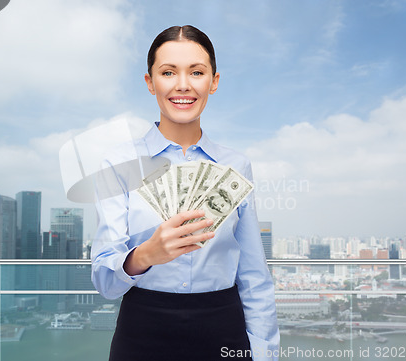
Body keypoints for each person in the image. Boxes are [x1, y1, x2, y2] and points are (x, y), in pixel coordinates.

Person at [91, 25, 279, 361]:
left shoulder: (236, 166)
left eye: (196, 72)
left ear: (214, 81)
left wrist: (265, 354)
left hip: (224, 328)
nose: (183, 85)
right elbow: (106, 282)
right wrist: (146, 254)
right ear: (150, 82)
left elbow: (253, 276)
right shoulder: (118, 163)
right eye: (167, 72)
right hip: (142, 331)